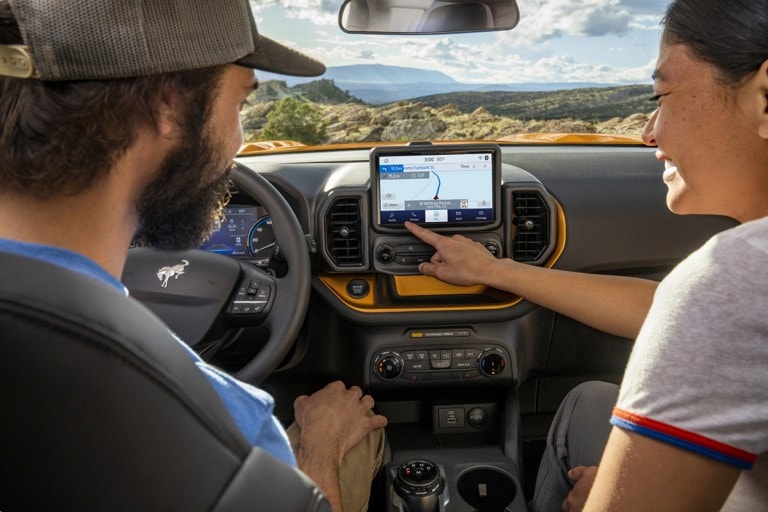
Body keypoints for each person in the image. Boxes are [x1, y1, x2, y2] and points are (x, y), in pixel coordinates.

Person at [0, 1, 386, 511]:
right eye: (241, 104)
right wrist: (321, 447)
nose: (239, 139)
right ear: (169, 105)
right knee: (355, 437)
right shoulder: (232, 432)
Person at [406, 0, 768, 509]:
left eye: (661, 95)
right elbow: (666, 311)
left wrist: (607, 497)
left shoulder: (736, 278)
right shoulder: (737, 292)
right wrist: (495, 270)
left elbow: (700, 313)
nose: (648, 133)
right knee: (592, 399)